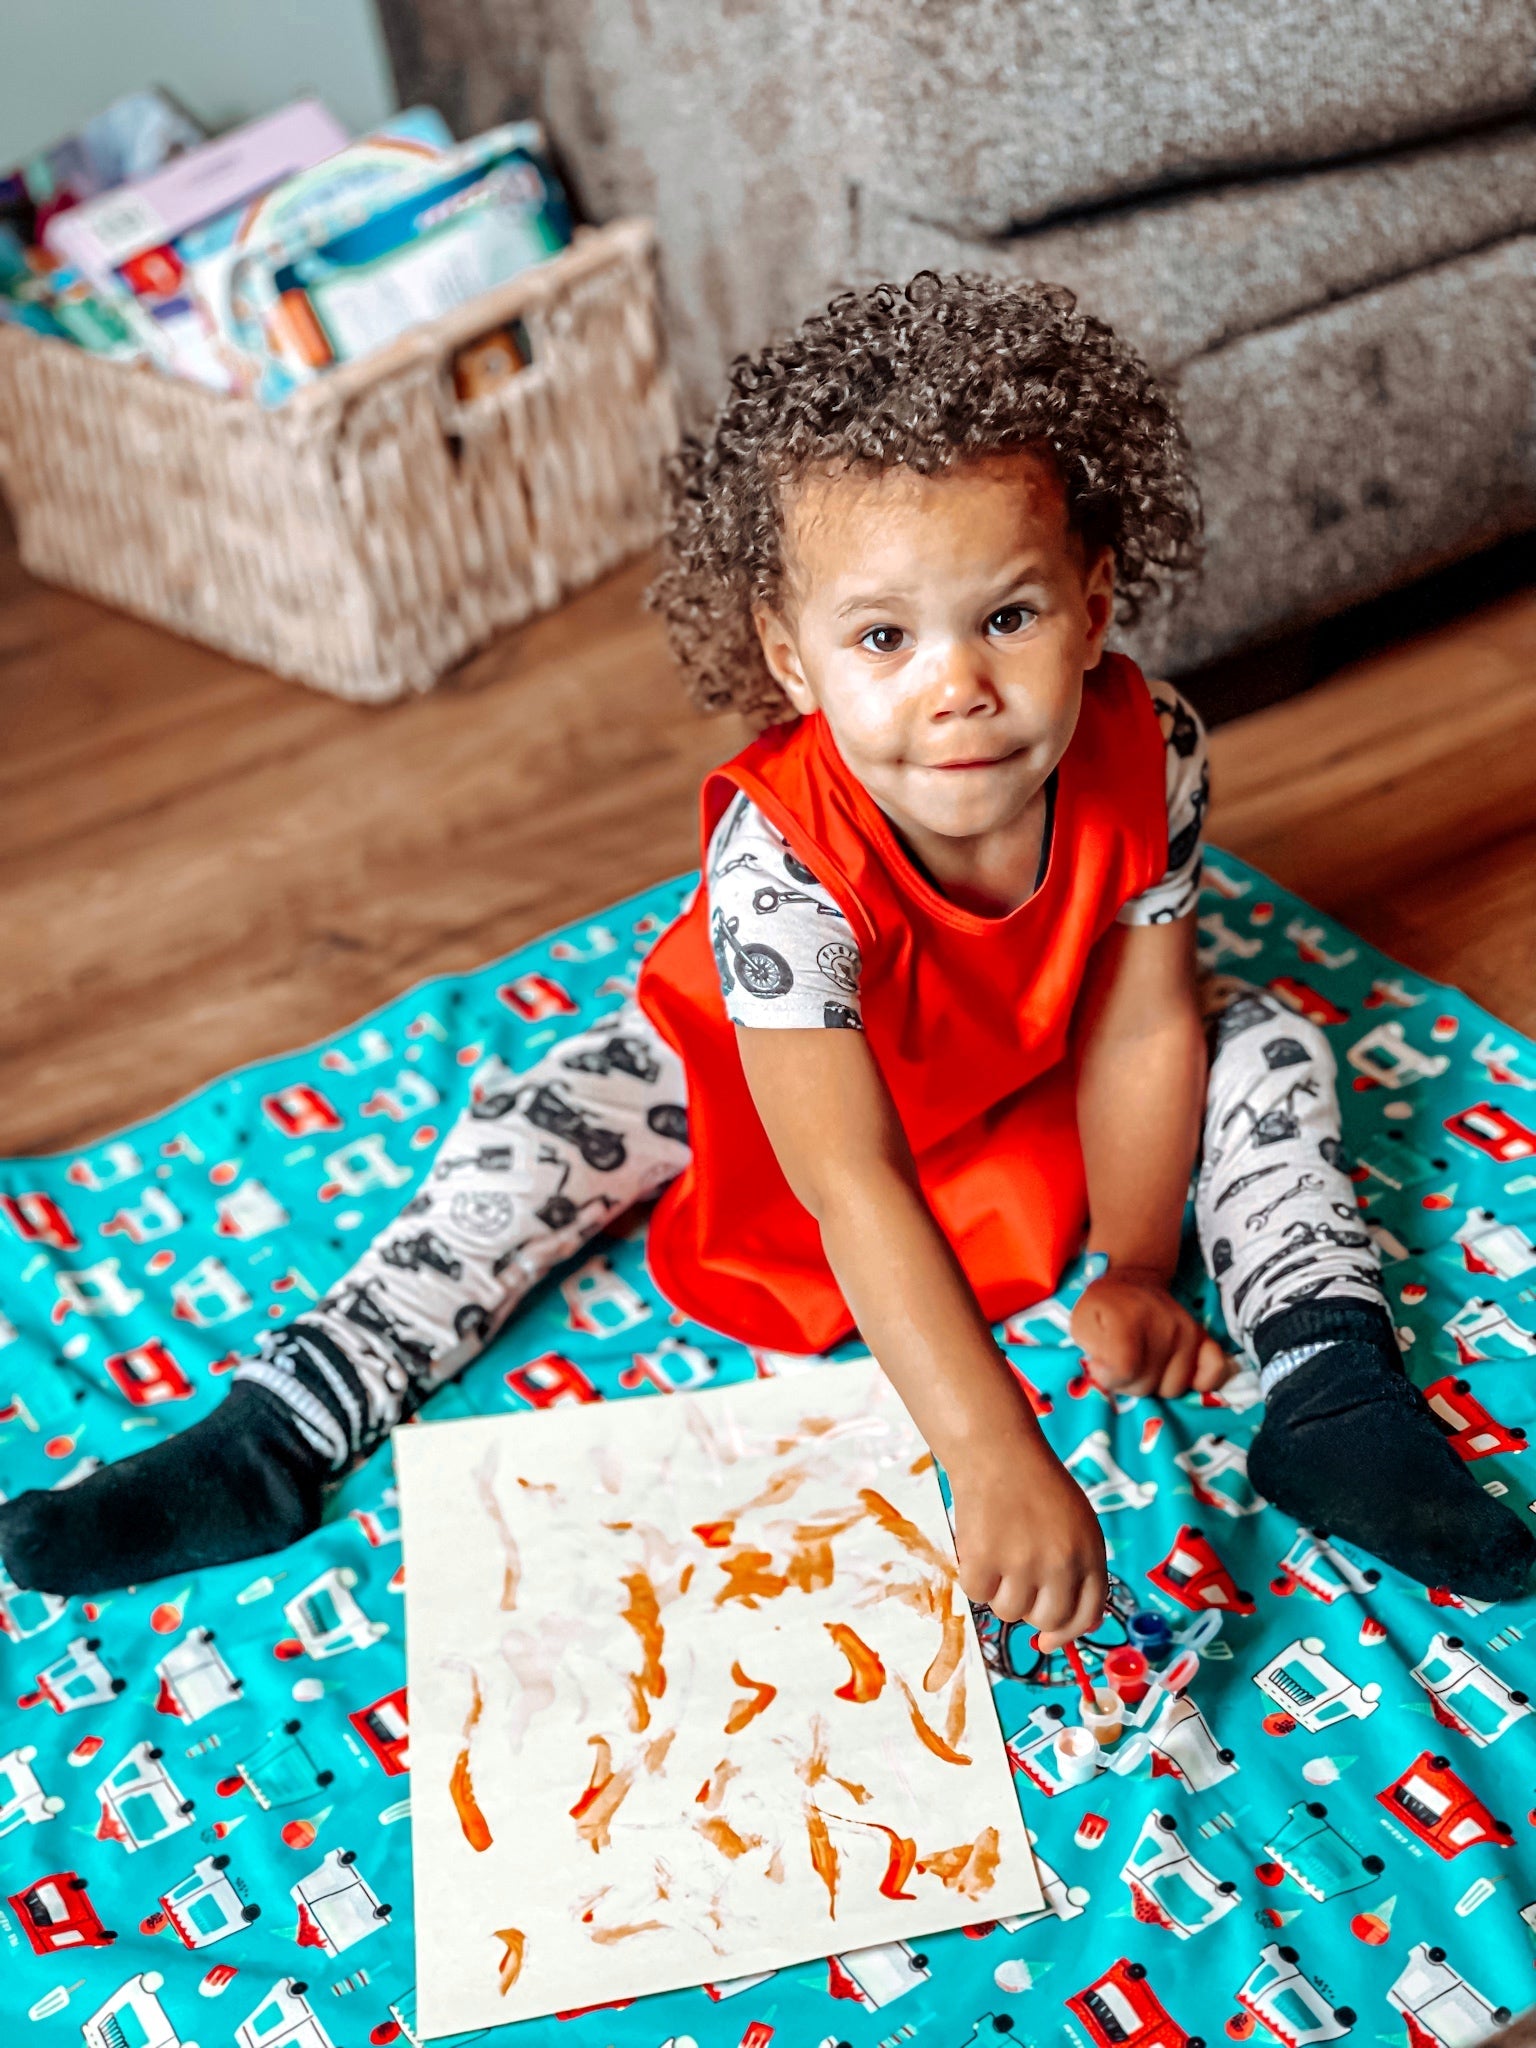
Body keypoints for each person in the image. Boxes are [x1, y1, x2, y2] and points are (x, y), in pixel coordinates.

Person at [4, 274, 1530, 1632]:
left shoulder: (1160, 744)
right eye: (883, 641)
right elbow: (844, 1173)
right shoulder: (780, 860)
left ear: (1093, 607)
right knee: (537, 1127)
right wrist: (993, 1450)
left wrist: (1135, 1268)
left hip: (1029, 1068)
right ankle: (282, 1423)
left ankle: (1331, 1391)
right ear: (793, 660)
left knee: (1268, 1042)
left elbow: (1142, 1027)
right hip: (780, 1102)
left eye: (1007, 618)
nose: (957, 689)